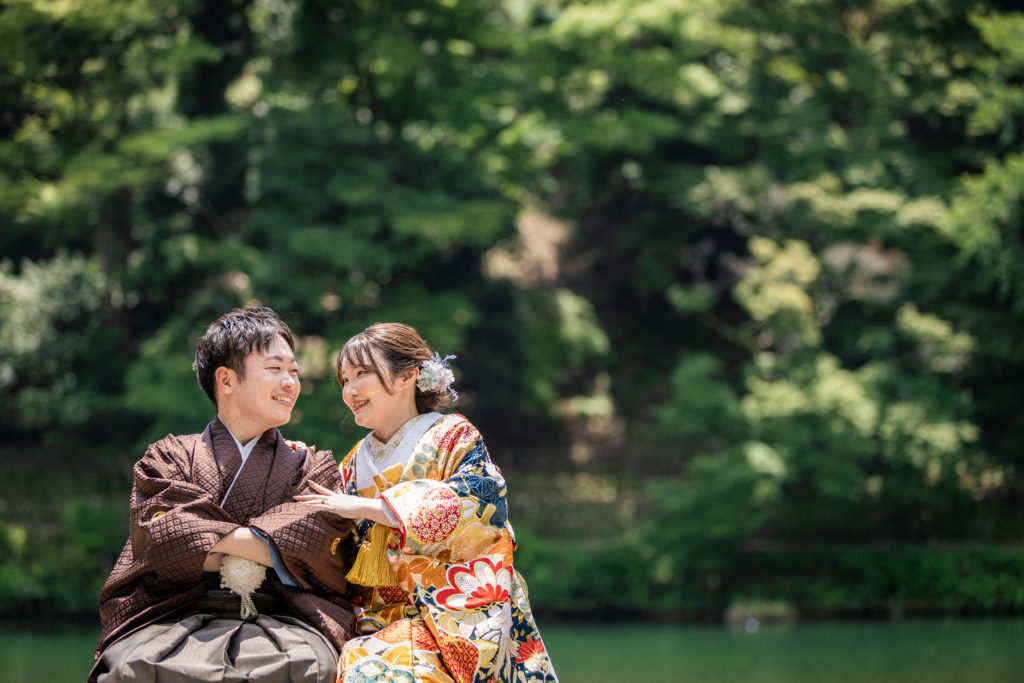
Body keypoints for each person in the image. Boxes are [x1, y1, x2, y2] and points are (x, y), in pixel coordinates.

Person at [90, 306, 356, 683]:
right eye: (275, 369)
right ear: (226, 380)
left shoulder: (311, 466)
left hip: (284, 617)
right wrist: (270, 541)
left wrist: (204, 538)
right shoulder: (167, 459)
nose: (290, 383)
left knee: (310, 666)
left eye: (294, 372)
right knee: (134, 666)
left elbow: (315, 544)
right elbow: (162, 543)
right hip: (172, 614)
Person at [295, 323, 558, 683]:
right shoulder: (354, 461)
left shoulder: (454, 436)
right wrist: (292, 463)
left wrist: (373, 509)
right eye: (344, 380)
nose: (350, 390)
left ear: (407, 377)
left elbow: (477, 504)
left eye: (361, 374)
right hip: (372, 620)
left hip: (445, 615)